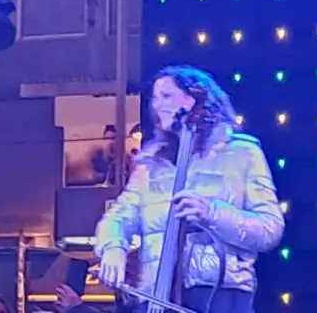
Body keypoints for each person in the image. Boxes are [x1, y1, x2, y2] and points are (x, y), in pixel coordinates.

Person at [94, 65, 284, 313]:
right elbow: (118, 217)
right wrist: (113, 247)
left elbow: (270, 228)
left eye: (166, 96)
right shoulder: (151, 163)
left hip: (218, 294)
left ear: (194, 98)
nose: (157, 105)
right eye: (155, 98)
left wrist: (213, 213)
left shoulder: (242, 153)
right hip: (158, 294)